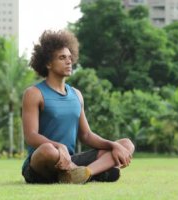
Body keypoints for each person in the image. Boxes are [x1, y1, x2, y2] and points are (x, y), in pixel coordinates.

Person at [21, 30, 135, 184]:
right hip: (41, 163)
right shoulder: (34, 93)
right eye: (62, 58)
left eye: (70, 57)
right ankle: (93, 171)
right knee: (47, 149)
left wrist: (113, 145)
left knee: (126, 144)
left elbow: (86, 135)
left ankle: (86, 173)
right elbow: (31, 136)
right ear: (48, 63)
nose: (69, 62)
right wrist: (59, 146)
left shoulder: (76, 94)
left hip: (70, 159)